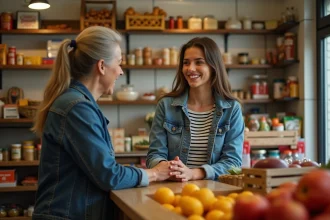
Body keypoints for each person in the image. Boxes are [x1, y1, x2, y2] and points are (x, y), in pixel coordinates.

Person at [31, 26, 171, 220]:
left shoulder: (80, 103)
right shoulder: (77, 108)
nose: (121, 72)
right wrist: (154, 173)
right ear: (102, 66)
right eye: (119, 63)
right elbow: (108, 175)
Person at [146, 37, 244, 182]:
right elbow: (154, 155)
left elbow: (233, 163)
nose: (190, 68)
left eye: (199, 62)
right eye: (186, 63)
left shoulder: (232, 109)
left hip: (214, 192)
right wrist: (168, 168)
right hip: (171, 190)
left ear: (213, 66)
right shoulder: (166, 106)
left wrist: (194, 173)